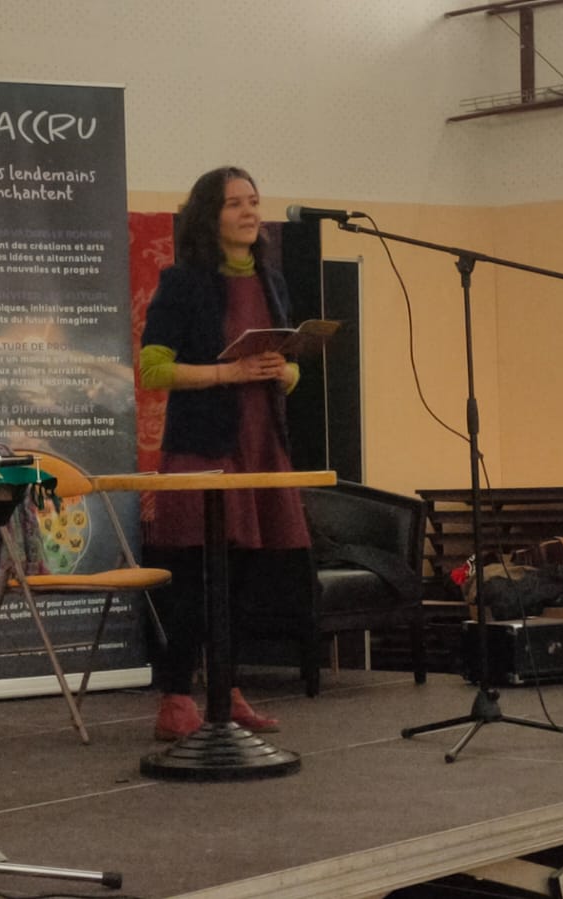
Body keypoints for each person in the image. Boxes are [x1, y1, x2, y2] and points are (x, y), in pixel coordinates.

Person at [138, 166, 315, 741]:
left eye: (254, 201)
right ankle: (175, 699)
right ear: (209, 215)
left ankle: (226, 689)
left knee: (243, 580)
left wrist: (284, 370)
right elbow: (153, 368)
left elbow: (288, 365)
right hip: (205, 446)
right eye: (235, 203)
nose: (249, 212)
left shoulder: (273, 281)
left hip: (262, 444)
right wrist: (228, 373)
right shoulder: (183, 282)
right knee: (194, 578)